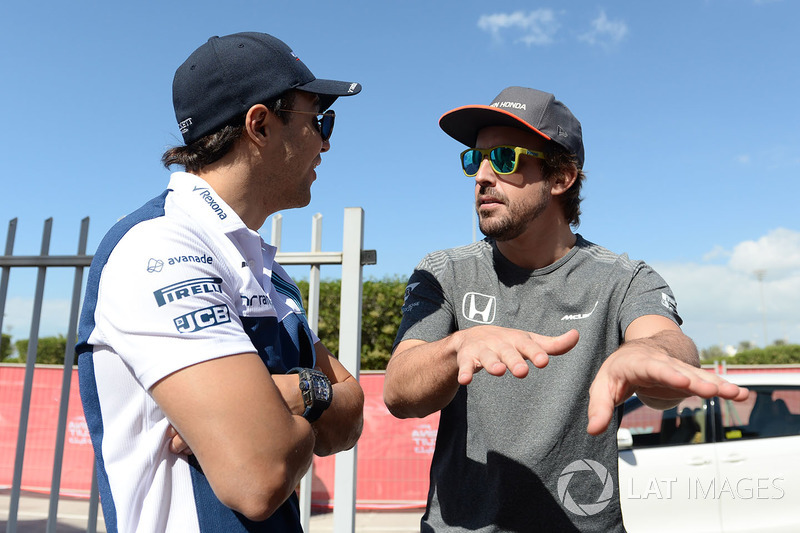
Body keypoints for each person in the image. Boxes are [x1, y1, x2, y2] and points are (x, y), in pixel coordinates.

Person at [383, 86, 748, 532]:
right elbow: (399, 392)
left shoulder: (624, 279)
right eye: (472, 159)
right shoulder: (445, 272)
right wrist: (460, 345)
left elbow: (665, 343)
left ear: (561, 178)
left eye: (503, 159)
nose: (481, 176)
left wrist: (649, 354)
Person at [77, 32, 364, 532]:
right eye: (318, 119)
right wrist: (316, 396)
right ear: (260, 124)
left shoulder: (268, 271)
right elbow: (261, 475)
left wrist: (301, 392)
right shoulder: (160, 247)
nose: (326, 139)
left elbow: (350, 416)